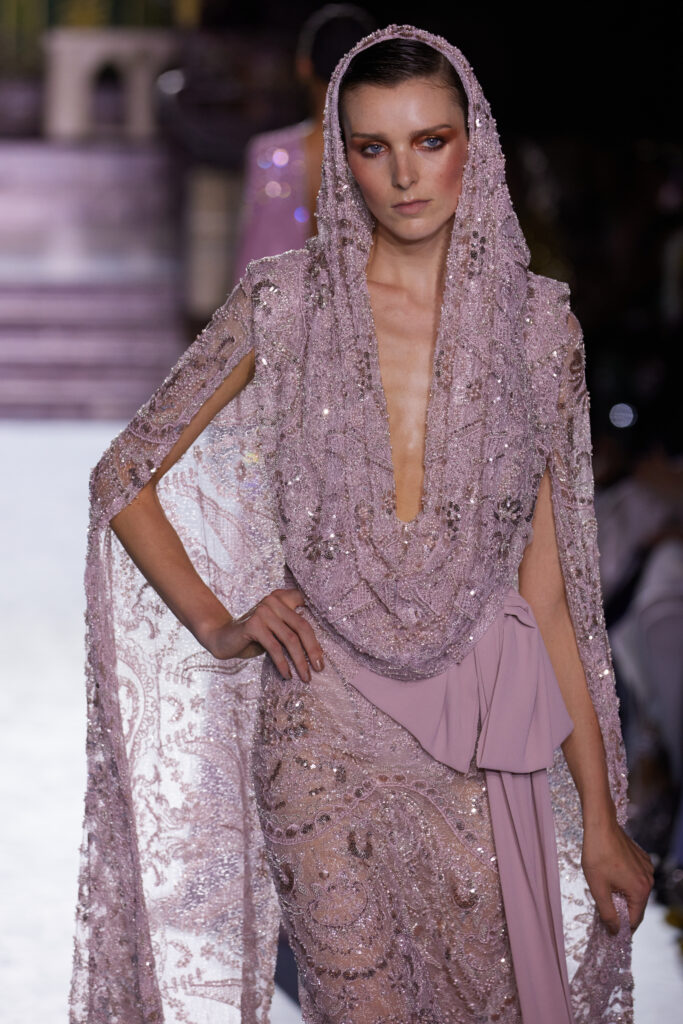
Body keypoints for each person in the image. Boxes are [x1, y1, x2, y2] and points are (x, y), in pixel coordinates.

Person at [68, 24, 654, 1024]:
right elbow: (125, 471)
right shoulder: (283, 304)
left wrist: (600, 820)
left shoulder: (538, 330)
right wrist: (217, 623)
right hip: (322, 733)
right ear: (341, 158)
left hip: (480, 741)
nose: (404, 175)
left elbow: (549, 598)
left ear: (474, 143)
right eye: (373, 147)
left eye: (429, 140)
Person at [232, 4, 375, 283]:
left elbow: (253, 265)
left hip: (279, 306)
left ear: (304, 66)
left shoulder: (269, 154)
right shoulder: (382, 155)